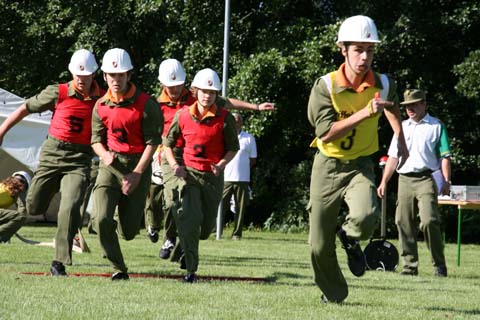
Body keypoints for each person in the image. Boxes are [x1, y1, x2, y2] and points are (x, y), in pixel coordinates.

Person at [307, 15, 409, 303]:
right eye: (358, 50)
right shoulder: (325, 87)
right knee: (317, 245)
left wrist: (400, 139)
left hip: (361, 164)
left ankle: (350, 238)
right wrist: (364, 113)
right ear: (343, 49)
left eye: (370, 50)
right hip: (327, 165)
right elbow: (325, 133)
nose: (365, 57)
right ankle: (334, 293)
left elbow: (390, 106)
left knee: (365, 216)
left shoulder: (384, 83)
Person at [149, 59, 274, 261]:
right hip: (170, 153)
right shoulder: (156, 105)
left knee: (196, 210)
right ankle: (169, 238)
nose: (175, 89)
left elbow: (227, 102)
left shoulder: (199, 95)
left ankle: (181, 241)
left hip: (195, 156)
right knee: (174, 197)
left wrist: (256, 107)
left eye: (179, 84)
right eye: (171, 86)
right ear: (163, 85)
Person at [0, 49, 102, 276]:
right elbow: (25, 107)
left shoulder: (102, 99)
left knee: (70, 203)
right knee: (35, 207)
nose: (80, 79)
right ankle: (42, 185)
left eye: (85, 76)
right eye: (77, 74)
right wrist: (2, 131)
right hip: (52, 155)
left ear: (94, 74)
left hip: (79, 159)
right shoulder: (58, 92)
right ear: (71, 73)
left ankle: (59, 261)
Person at [91, 48, 163, 280]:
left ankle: (120, 230)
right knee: (101, 218)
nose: (116, 79)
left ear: (129, 75)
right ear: (104, 76)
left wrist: (137, 173)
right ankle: (118, 268)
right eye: (111, 75)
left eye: (121, 74)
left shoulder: (147, 104)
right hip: (109, 165)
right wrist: (104, 155)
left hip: (137, 165)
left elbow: (153, 142)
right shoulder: (100, 105)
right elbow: (95, 140)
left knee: (130, 232)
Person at [164, 68, 239, 282]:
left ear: (216, 95)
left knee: (205, 229)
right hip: (190, 176)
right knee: (190, 217)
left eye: (212, 92)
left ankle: (184, 246)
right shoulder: (183, 115)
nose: (207, 96)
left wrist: (222, 164)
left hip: (212, 178)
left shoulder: (225, 119)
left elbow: (233, 147)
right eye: (203, 91)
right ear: (195, 91)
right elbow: (168, 144)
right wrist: (174, 165)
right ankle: (191, 269)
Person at [377, 89, 450, 277]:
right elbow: (393, 157)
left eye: (414, 104)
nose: (410, 108)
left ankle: (439, 265)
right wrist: (384, 181)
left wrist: (446, 180)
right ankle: (410, 266)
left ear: (424, 104)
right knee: (402, 220)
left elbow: (445, 157)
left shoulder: (436, 126)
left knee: (429, 221)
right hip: (404, 179)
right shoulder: (400, 127)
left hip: (426, 178)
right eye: (407, 105)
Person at [220, 112, 257, 240]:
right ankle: (216, 230)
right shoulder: (224, 137)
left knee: (240, 208)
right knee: (221, 206)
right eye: (233, 120)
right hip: (225, 178)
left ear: (241, 123)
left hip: (242, 179)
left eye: (238, 120)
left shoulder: (249, 138)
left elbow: (252, 160)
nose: (236, 123)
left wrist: (242, 169)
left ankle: (237, 233)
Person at [0, 171, 31, 243]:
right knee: (19, 217)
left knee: (16, 217)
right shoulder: (4, 190)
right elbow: (21, 216)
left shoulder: (12, 192)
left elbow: (22, 211)